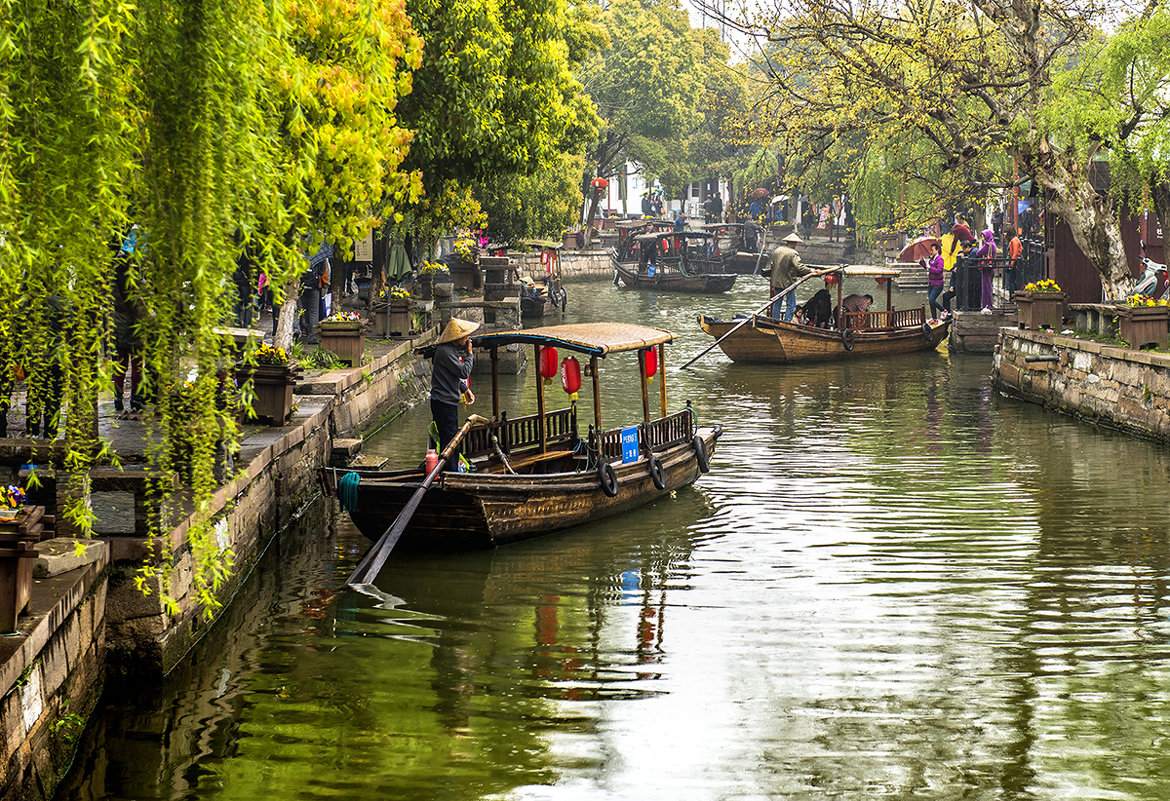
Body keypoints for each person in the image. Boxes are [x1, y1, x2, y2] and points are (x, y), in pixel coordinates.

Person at [430, 318, 479, 472]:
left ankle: (451, 469)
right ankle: (450, 473)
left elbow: (451, 377)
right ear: (456, 338)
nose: (467, 340)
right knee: (450, 440)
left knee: (451, 438)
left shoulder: (450, 351)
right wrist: (470, 354)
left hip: (446, 401)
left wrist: (464, 388)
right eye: (464, 337)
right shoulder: (446, 351)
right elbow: (463, 371)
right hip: (443, 403)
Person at [765, 233, 815, 321]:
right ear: (794, 243)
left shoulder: (777, 250)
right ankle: (787, 321)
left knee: (777, 303)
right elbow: (799, 267)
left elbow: (773, 264)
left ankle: (775, 321)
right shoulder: (793, 253)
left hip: (776, 281)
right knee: (791, 304)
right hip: (787, 281)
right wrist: (812, 271)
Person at [974, 228, 998, 313]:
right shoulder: (993, 244)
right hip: (991, 268)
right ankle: (989, 304)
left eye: (984, 237)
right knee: (989, 286)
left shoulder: (987, 245)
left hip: (986, 268)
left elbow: (978, 253)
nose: (983, 239)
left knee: (986, 287)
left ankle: (986, 305)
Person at [921, 242, 945, 321]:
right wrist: (922, 261)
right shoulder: (932, 259)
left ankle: (943, 310)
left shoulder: (940, 259)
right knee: (931, 301)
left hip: (938, 283)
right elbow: (927, 267)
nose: (930, 252)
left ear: (937, 250)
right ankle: (934, 318)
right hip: (931, 283)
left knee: (932, 299)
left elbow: (938, 270)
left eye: (932, 250)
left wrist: (930, 267)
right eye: (930, 250)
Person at [1006, 226, 1023, 299]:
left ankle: (1012, 297)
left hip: (1015, 262)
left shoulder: (1014, 240)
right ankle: (1013, 297)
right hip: (1015, 261)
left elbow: (1015, 253)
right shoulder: (1014, 240)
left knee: (1011, 281)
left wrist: (1011, 264)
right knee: (1012, 280)